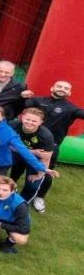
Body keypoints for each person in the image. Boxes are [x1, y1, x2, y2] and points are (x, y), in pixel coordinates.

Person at [23, 80, 84, 212]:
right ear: (52, 88)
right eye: (59, 86)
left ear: (69, 92)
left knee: (46, 172)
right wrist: (22, 96)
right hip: (27, 143)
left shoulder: (72, 109)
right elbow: (22, 105)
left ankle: (40, 197)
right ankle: (9, 188)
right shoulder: (38, 101)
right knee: (17, 167)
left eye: (66, 88)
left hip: (50, 148)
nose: (62, 89)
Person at [7, 107, 56, 205]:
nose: (30, 122)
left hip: (36, 159)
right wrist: (32, 151)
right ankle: (9, 189)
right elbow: (6, 145)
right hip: (17, 153)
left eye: (34, 121)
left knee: (32, 184)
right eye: (27, 119)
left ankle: (21, 204)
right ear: (22, 117)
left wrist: (39, 174)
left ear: (41, 122)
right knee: (1, 167)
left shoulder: (46, 136)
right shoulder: (12, 125)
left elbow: (46, 158)